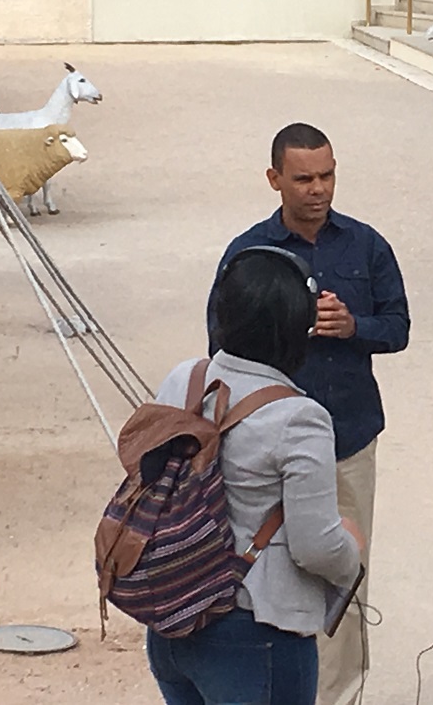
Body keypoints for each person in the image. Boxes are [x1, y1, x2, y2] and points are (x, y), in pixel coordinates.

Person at [206, 123, 410, 705]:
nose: (318, 189)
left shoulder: (366, 245)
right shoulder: (248, 255)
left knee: (344, 575)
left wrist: (354, 327)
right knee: (266, 575)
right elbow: (219, 345)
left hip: (347, 441)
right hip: (263, 451)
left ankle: (336, 696)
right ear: (275, 179)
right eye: (303, 179)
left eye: (327, 176)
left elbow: (398, 327)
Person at [147, 246, 365, 705]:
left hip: (171, 619)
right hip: (254, 632)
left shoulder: (185, 377)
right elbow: (315, 546)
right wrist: (351, 551)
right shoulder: (299, 417)